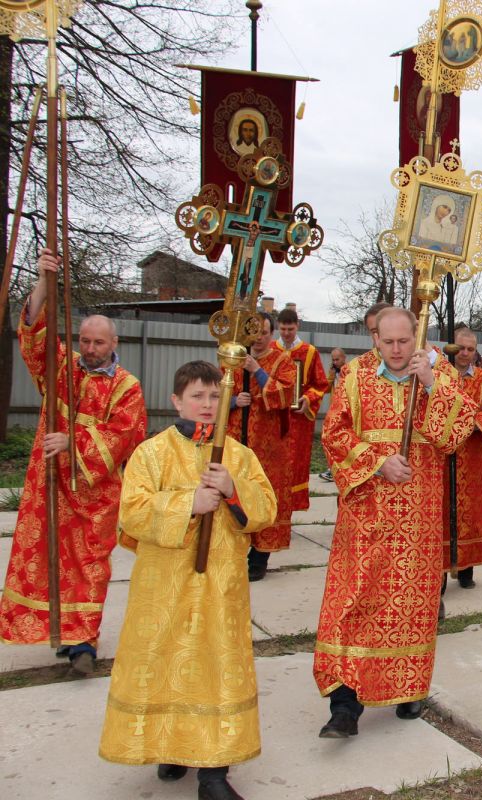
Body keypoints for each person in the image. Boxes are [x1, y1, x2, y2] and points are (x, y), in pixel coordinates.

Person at [99, 361, 276, 800]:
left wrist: (234, 489)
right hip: (164, 585)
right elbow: (132, 512)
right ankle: (168, 744)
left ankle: (214, 774)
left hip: (220, 585)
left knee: (216, 668)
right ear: (177, 400)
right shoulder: (151, 453)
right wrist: (188, 503)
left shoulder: (238, 454)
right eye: (197, 396)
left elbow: (267, 508)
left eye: (215, 397)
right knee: (162, 662)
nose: (206, 405)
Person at [314, 307, 476, 737]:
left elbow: (456, 434)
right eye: (388, 342)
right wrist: (379, 461)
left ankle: (407, 687)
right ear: (375, 340)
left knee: (409, 604)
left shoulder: (437, 377)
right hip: (366, 515)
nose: (397, 350)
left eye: (405, 341)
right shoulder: (354, 375)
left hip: (418, 517)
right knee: (354, 602)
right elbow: (334, 434)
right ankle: (344, 703)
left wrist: (430, 384)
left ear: (416, 337)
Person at [0, 248, 148, 673]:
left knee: (88, 564)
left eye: (99, 342)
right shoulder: (63, 367)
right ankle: (61, 633)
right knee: (47, 556)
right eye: (85, 340)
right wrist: (46, 279)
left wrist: (73, 441)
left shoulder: (127, 386)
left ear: (114, 343)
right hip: (50, 482)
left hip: (95, 493)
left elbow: (123, 437)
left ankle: (84, 641)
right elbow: (32, 331)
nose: (91, 348)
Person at [230, 312, 296, 582]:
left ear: (272, 334)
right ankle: (234, 552)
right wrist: (235, 400)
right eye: (253, 333)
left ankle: (259, 558)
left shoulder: (283, 360)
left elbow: (284, 394)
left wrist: (256, 371)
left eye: (264, 333)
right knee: (233, 495)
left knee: (262, 496)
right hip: (236, 439)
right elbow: (217, 392)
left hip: (268, 446)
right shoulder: (232, 359)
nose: (258, 339)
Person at [445, 327, 482, 589]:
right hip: (442, 457)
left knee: (469, 512)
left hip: (471, 457)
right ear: (452, 347)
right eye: (461, 348)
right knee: (443, 512)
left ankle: (467, 566)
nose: (465, 354)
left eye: (470, 349)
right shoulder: (437, 376)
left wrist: (469, 421)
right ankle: (441, 571)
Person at [272, 307, 330, 554]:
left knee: (293, 465)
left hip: (297, 420)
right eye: (283, 329)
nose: (286, 333)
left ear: (297, 326)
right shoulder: (270, 350)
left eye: (290, 329)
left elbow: (320, 383)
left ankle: (286, 516)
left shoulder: (309, 353)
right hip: (273, 417)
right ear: (278, 327)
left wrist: (307, 399)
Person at [320, 348, 348, 482]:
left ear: (344, 358)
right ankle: (332, 469)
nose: (335, 362)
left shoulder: (349, 371)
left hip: (346, 413)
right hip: (334, 412)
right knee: (330, 441)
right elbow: (324, 390)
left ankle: (339, 470)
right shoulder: (333, 373)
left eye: (338, 359)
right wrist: (331, 376)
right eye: (333, 359)